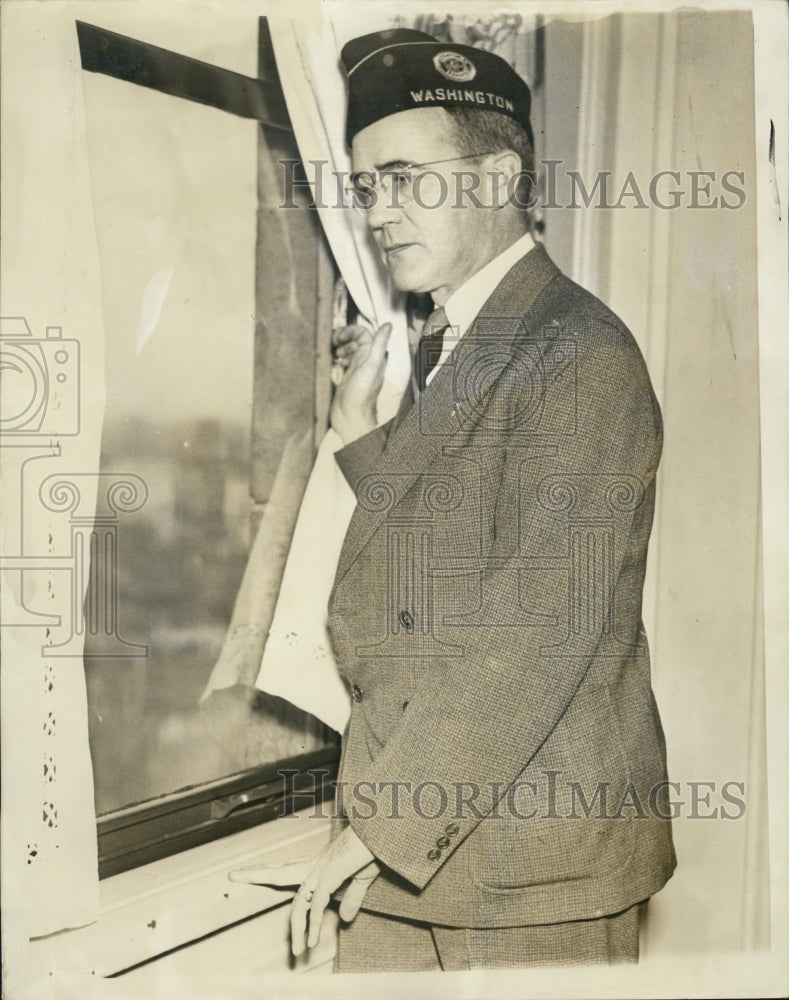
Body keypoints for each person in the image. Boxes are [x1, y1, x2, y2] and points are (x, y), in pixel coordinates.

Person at [235, 27, 676, 972]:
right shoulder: (460, 338)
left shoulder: (581, 352)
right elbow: (445, 555)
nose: (376, 214)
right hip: (422, 840)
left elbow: (538, 624)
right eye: (364, 186)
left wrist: (386, 822)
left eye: (401, 177)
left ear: (492, 177)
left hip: (531, 869)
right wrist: (356, 436)